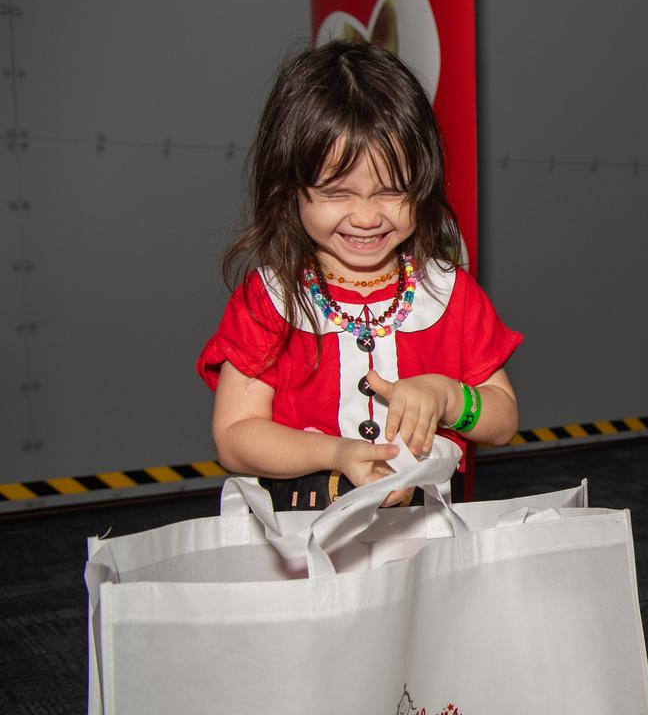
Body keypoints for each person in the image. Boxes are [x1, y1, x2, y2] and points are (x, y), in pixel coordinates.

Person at [198, 41, 520, 510]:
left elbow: (503, 419)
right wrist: (335, 452)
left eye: (392, 191)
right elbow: (234, 434)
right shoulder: (270, 301)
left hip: (424, 545)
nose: (367, 217)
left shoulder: (449, 292)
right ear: (290, 189)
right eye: (336, 193)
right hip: (302, 539)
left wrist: (449, 397)